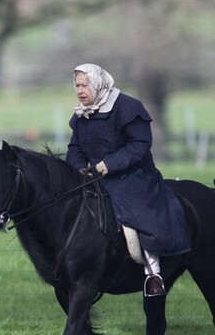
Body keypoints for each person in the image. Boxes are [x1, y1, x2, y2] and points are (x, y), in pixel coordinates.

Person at [66, 63, 190, 297]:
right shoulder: (82, 113)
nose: (81, 91)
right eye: (77, 86)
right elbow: (75, 148)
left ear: (98, 83)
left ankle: (153, 274)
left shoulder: (128, 107)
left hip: (132, 177)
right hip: (92, 177)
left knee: (136, 217)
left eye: (85, 85)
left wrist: (108, 165)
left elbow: (139, 145)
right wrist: (80, 168)